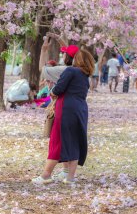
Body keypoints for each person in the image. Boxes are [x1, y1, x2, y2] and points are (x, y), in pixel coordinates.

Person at [32, 49, 95, 184]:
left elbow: (58, 89)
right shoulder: (85, 75)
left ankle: (46, 175)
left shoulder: (71, 71)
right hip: (81, 109)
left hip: (66, 107)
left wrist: (52, 92)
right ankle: (70, 177)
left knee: (57, 139)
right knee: (74, 141)